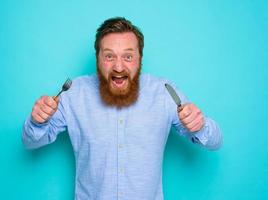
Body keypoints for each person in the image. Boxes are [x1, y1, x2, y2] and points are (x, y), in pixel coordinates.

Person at [22, 17, 223, 200]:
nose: (119, 67)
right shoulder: (73, 94)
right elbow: (30, 142)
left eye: (128, 57)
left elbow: (215, 142)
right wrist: (38, 121)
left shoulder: (164, 92)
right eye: (109, 56)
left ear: (140, 58)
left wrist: (200, 126)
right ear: (98, 58)